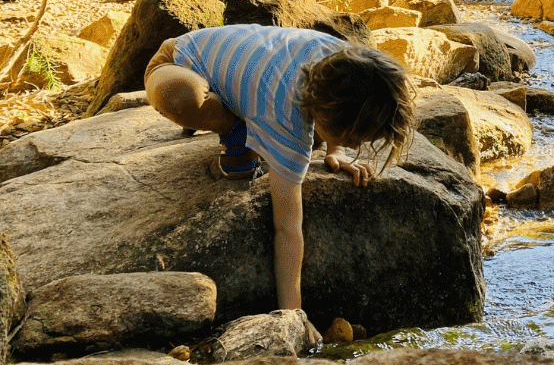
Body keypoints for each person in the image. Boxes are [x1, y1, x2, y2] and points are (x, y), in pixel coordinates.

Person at [143, 24, 414, 341]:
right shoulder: (285, 117)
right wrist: (293, 315)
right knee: (181, 96)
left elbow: (360, 97)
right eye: (354, 138)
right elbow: (287, 227)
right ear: (322, 115)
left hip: (245, 77)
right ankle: (234, 131)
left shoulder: (343, 61)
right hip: (179, 60)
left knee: (253, 104)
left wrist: (336, 148)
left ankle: (233, 110)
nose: (358, 146)